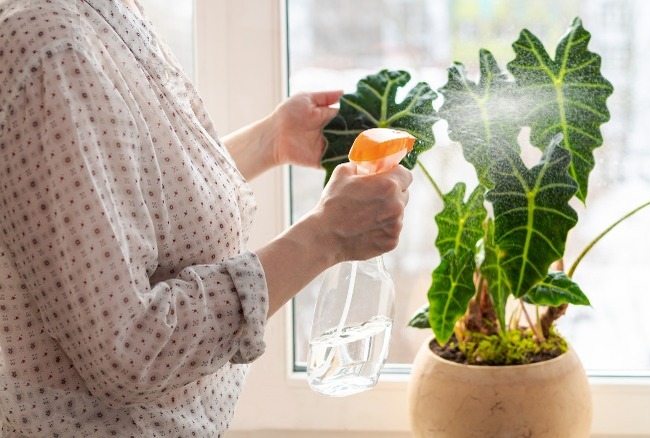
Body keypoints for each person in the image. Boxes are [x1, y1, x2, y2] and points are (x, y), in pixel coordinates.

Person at [0, 0, 413, 436]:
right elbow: (128, 350)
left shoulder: (110, 11)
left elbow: (119, 205)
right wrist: (322, 237)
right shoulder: (49, 49)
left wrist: (269, 141)